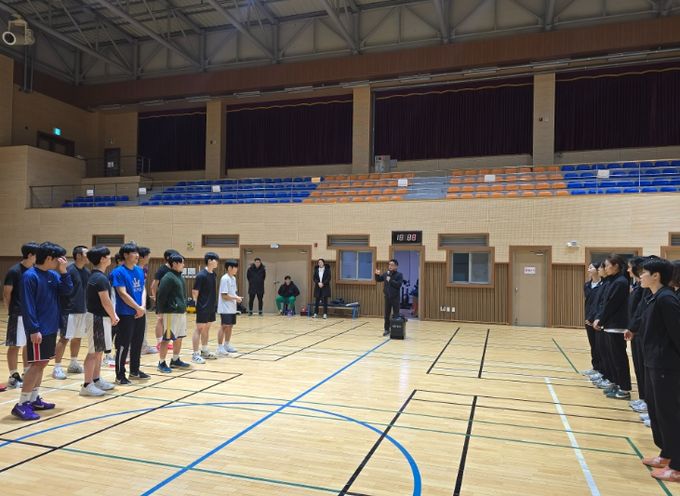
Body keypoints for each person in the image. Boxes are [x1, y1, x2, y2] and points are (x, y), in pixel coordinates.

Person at [12, 242, 73, 420]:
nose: (61, 261)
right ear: (49, 258)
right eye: (59, 258)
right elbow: (28, 305)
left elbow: (67, 290)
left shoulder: (53, 275)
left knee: (43, 363)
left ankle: (34, 398)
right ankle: (22, 404)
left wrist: (64, 272)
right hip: (39, 329)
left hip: (51, 326)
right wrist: (33, 329)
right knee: (36, 364)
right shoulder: (29, 277)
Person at [638, 257, 680, 483]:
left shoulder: (666, 299)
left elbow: (676, 332)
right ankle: (668, 454)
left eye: (644, 273)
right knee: (657, 411)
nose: (640, 276)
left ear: (656, 276)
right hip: (653, 362)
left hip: (666, 365)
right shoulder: (654, 297)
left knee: (670, 414)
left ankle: (678, 466)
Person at [593, 254, 632, 400]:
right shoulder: (613, 281)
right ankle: (616, 383)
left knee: (619, 358)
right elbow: (604, 302)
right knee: (612, 358)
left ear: (616, 266)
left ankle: (624, 388)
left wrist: (600, 319)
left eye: (608, 265)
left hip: (617, 325)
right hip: (609, 324)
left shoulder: (621, 282)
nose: (605, 268)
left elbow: (611, 304)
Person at [81, 246, 118, 397]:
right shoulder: (99, 278)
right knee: (93, 352)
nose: (110, 258)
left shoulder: (98, 276)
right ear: (102, 259)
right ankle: (87, 384)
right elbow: (105, 301)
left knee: (99, 351)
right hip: (97, 318)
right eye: (108, 256)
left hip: (101, 318)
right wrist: (113, 316)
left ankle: (96, 379)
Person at [3, 242, 39, 389]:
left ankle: (26, 371)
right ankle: (13, 375)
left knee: (27, 344)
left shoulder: (34, 271)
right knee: (15, 345)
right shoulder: (14, 271)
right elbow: (7, 293)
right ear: (30, 255)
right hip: (17, 314)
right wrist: (11, 311)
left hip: (31, 314)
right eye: (37, 254)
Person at [111, 243, 148, 385]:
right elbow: (122, 293)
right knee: (123, 345)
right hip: (125, 314)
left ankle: (135, 370)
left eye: (137, 252)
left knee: (137, 343)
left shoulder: (139, 270)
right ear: (125, 255)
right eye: (134, 252)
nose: (137, 255)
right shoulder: (118, 272)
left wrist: (142, 307)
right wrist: (137, 307)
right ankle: (120, 375)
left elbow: (143, 289)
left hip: (139, 313)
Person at [53, 245, 90, 380]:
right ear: (78, 255)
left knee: (78, 337)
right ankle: (57, 367)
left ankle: (73, 363)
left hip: (82, 309)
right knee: (64, 338)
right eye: (86, 254)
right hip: (69, 310)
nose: (89, 256)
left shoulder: (87, 272)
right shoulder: (69, 270)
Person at [156, 253, 191, 372]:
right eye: (182, 262)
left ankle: (175, 360)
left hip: (181, 312)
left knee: (179, 337)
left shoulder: (179, 277)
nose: (183, 265)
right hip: (171, 313)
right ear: (175, 263)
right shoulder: (168, 277)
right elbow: (161, 295)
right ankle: (161, 362)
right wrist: (160, 311)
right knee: (167, 338)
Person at [191, 252, 220, 364]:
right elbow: (195, 292)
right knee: (199, 329)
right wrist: (197, 305)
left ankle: (204, 350)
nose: (217, 262)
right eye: (215, 260)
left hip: (211, 306)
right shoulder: (201, 275)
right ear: (209, 261)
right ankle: (195, 354)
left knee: (206, 328)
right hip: (203, 306)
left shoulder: (213, 274)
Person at [150, 249, 178, 351]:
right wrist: (156, 298)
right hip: (162, 299)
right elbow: (153, 286)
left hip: (171, 300)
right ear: (168, 258)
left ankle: (166, 341)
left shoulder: (174, 270)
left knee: (169, 321)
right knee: (160, 320)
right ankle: (159, 342)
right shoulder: (162, 269)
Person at [582, 262, 603, 378]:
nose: (588, 269)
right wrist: (588, 317)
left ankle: (601, 369)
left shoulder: (603, 285)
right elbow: (589, 302)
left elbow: (599, 304)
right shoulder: (586, 285)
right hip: (588, 319)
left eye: (591, 267)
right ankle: (595, 367)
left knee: (600, 346)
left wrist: (594, 317)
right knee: (593, 345)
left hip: (598, 320)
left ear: (597, 269)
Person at [217, 260, 242, 355]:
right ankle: (220, 347)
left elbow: (233, 292)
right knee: (224, 326)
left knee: (230, 326)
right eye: (235, 267)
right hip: (225, 308)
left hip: (232, 307)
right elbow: (224, 295)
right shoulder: (225, 279)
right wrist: (236, 298)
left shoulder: (233, 278)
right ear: (229, 268)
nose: (236, 269)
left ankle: (226, 345)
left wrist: (237, 298)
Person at [375, 259, 404, 337]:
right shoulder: (386, 274)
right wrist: (377, 275)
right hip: (387, 297)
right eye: (389, 264)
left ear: (396, 266)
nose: (390, 266)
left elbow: (398, 285)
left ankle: (395, 330)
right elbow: (378, 280)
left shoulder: (399, 275)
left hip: (395, 298)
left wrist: (390, 280)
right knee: (387, 314)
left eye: (392, 265)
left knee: (396, 314)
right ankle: (386, 329)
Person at [137, 246, 158, 355]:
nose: (149, 257)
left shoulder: (144, 269)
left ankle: (143, 346)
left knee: (143, 325)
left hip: (142, 301)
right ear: (141, 257)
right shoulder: (135, 269)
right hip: (135, 302)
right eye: (147, 255)